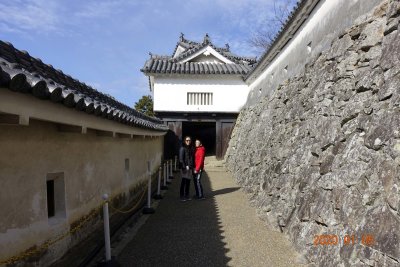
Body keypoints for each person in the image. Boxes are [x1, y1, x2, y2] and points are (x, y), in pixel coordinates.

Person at [179, 136, 194, 201]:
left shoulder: (190, 148)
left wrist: (191, 166)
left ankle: (187, 195)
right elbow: (181, 159)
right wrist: (184, 167)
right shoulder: (182, 148)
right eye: (187, 140)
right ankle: (182, 196)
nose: (188, 141)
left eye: (189, 140)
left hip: (189, 167)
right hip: (184, 167)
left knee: (188, 182)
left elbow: (191, 158)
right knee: (183, 181)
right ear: (184, 141)